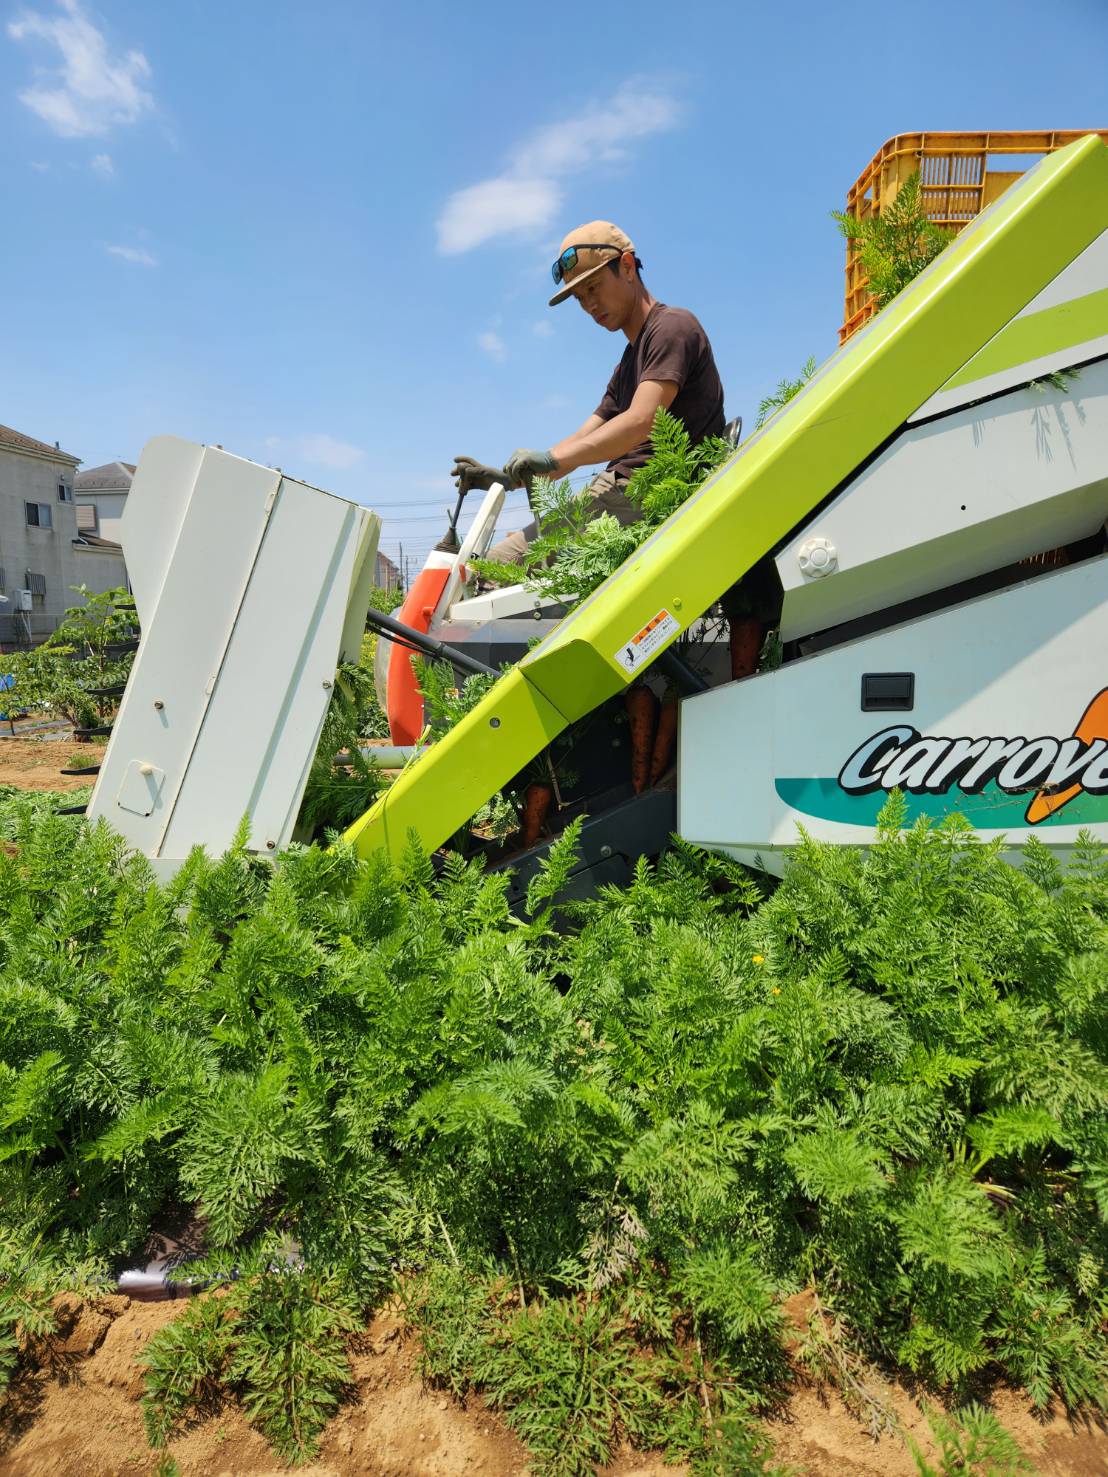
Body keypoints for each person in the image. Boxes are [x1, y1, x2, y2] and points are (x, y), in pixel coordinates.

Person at [451, 220, 764, 677]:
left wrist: (554, 460)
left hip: (646, 495)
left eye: (594, 287)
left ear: (628, 267)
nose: (589, 305)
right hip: (620, 495)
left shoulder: (672, 328)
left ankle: (481, 696)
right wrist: (512, 476)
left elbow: (639, 423)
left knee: (496, 570)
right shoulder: (629, 359)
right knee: (498, 569)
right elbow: (586, 434)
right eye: (580, 298)